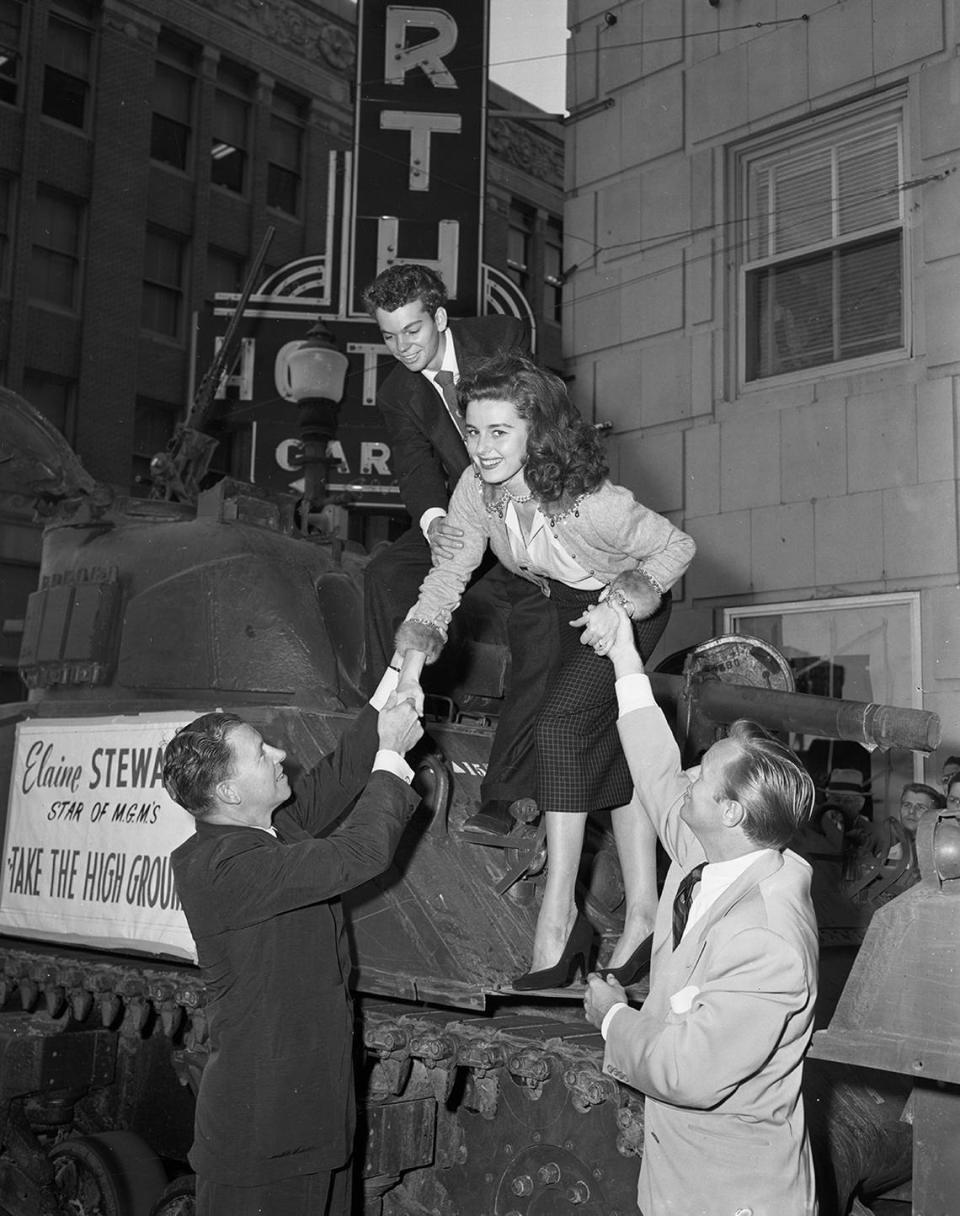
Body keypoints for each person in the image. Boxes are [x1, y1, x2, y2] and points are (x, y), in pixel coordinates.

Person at [393, 354, 695, 988]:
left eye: (500, 432)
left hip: (625, 604)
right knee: (608, 745)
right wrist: (414, 659)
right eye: (473, 432)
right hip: (564, 603)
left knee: (559, 724)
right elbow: (449, 574)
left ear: (538, 431)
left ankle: (557, 922)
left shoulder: (594, 503)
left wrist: (622, 602)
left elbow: (676, 547)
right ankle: (642, 912)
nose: (481, 448)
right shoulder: (477, 492)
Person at [584, 601, 819, 1216]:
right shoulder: (709, 852)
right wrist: (624, 656)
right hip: (681, 1180)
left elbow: (688, 1073)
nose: (688, 780)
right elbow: (658, 773)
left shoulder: (767, 940)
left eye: (704, 777)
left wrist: (612, 1018)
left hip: (732, 1197)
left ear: (734, 812)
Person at [164, 678, 423, 1216]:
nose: (281, 754)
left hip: (311, 1127)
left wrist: (402, 669)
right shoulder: (222, 866)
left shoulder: (268, 829)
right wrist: (393, 756)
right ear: (230, 793)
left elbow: (339, 772)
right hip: (265, 1141)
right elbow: (360, 852)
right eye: (262, 753)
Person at [363, 262, 557, 835]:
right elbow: (414, 464)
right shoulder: (398, 390)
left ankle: (503, 794)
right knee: (383, 575)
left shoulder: (501, 341)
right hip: (465, 509)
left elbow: (542, 425)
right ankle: (390, 728)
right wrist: (433, 522)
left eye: (413, 332)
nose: (401, 347)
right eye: (389, 336)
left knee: (535, 622)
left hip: (532, 501)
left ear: (440, 319)